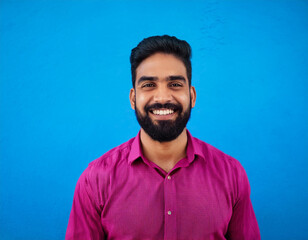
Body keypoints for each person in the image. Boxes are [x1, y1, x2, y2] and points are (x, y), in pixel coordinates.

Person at [65, 35, 261, 240]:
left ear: (192, 96)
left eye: (175, 84)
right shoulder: (95, 180)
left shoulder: (231, 174)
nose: (162, 98)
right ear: (133, 98)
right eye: (149, 85)